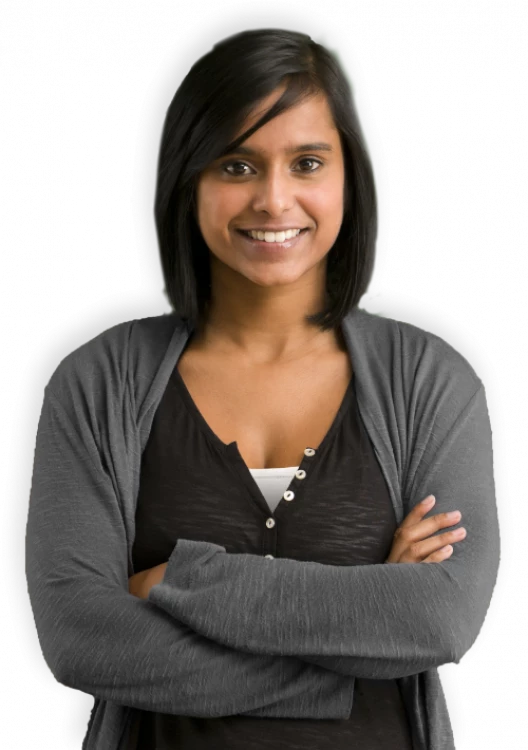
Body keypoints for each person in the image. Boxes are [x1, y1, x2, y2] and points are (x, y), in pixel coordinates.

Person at [25, 27, 501, 750]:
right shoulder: (97, 383)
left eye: (307, 162)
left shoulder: (430, 381)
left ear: (349, 178)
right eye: (237, 164)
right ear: (188, 178)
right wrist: (357, 646)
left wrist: (180, 580)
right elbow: (82, 640)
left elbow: (439, 619)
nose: (274, 200)